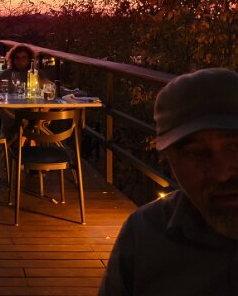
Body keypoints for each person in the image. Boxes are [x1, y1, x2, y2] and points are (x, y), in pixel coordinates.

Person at [98, 68, 238, 296]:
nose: (221, 173)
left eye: (234, 147)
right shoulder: (144, 235)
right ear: (169, 159)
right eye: (196, 153)